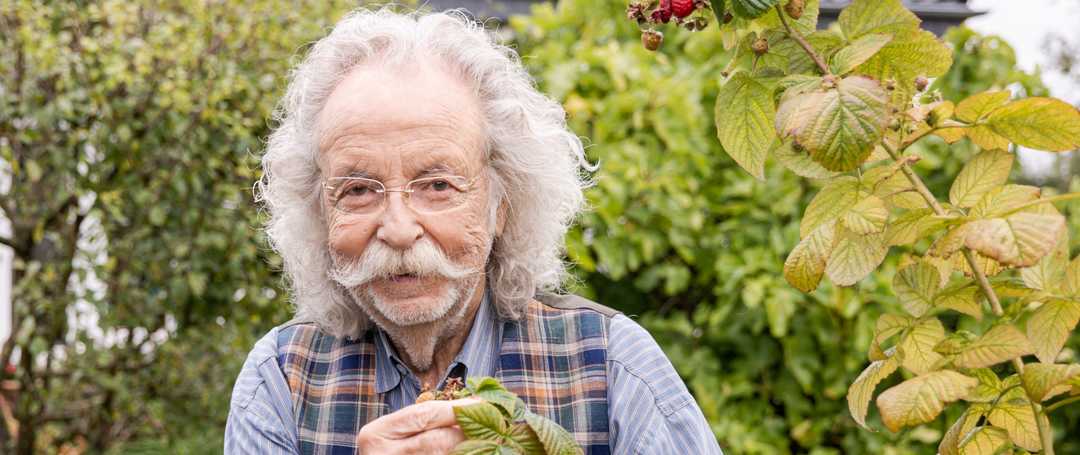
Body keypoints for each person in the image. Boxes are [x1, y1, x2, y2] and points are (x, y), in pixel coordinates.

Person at [224, 7, 722, 454]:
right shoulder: (281, 378)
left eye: (437, 185)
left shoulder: (610, 365)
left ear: (501, 203)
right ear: (320, 213)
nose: (398, 229)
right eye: (358, 190)